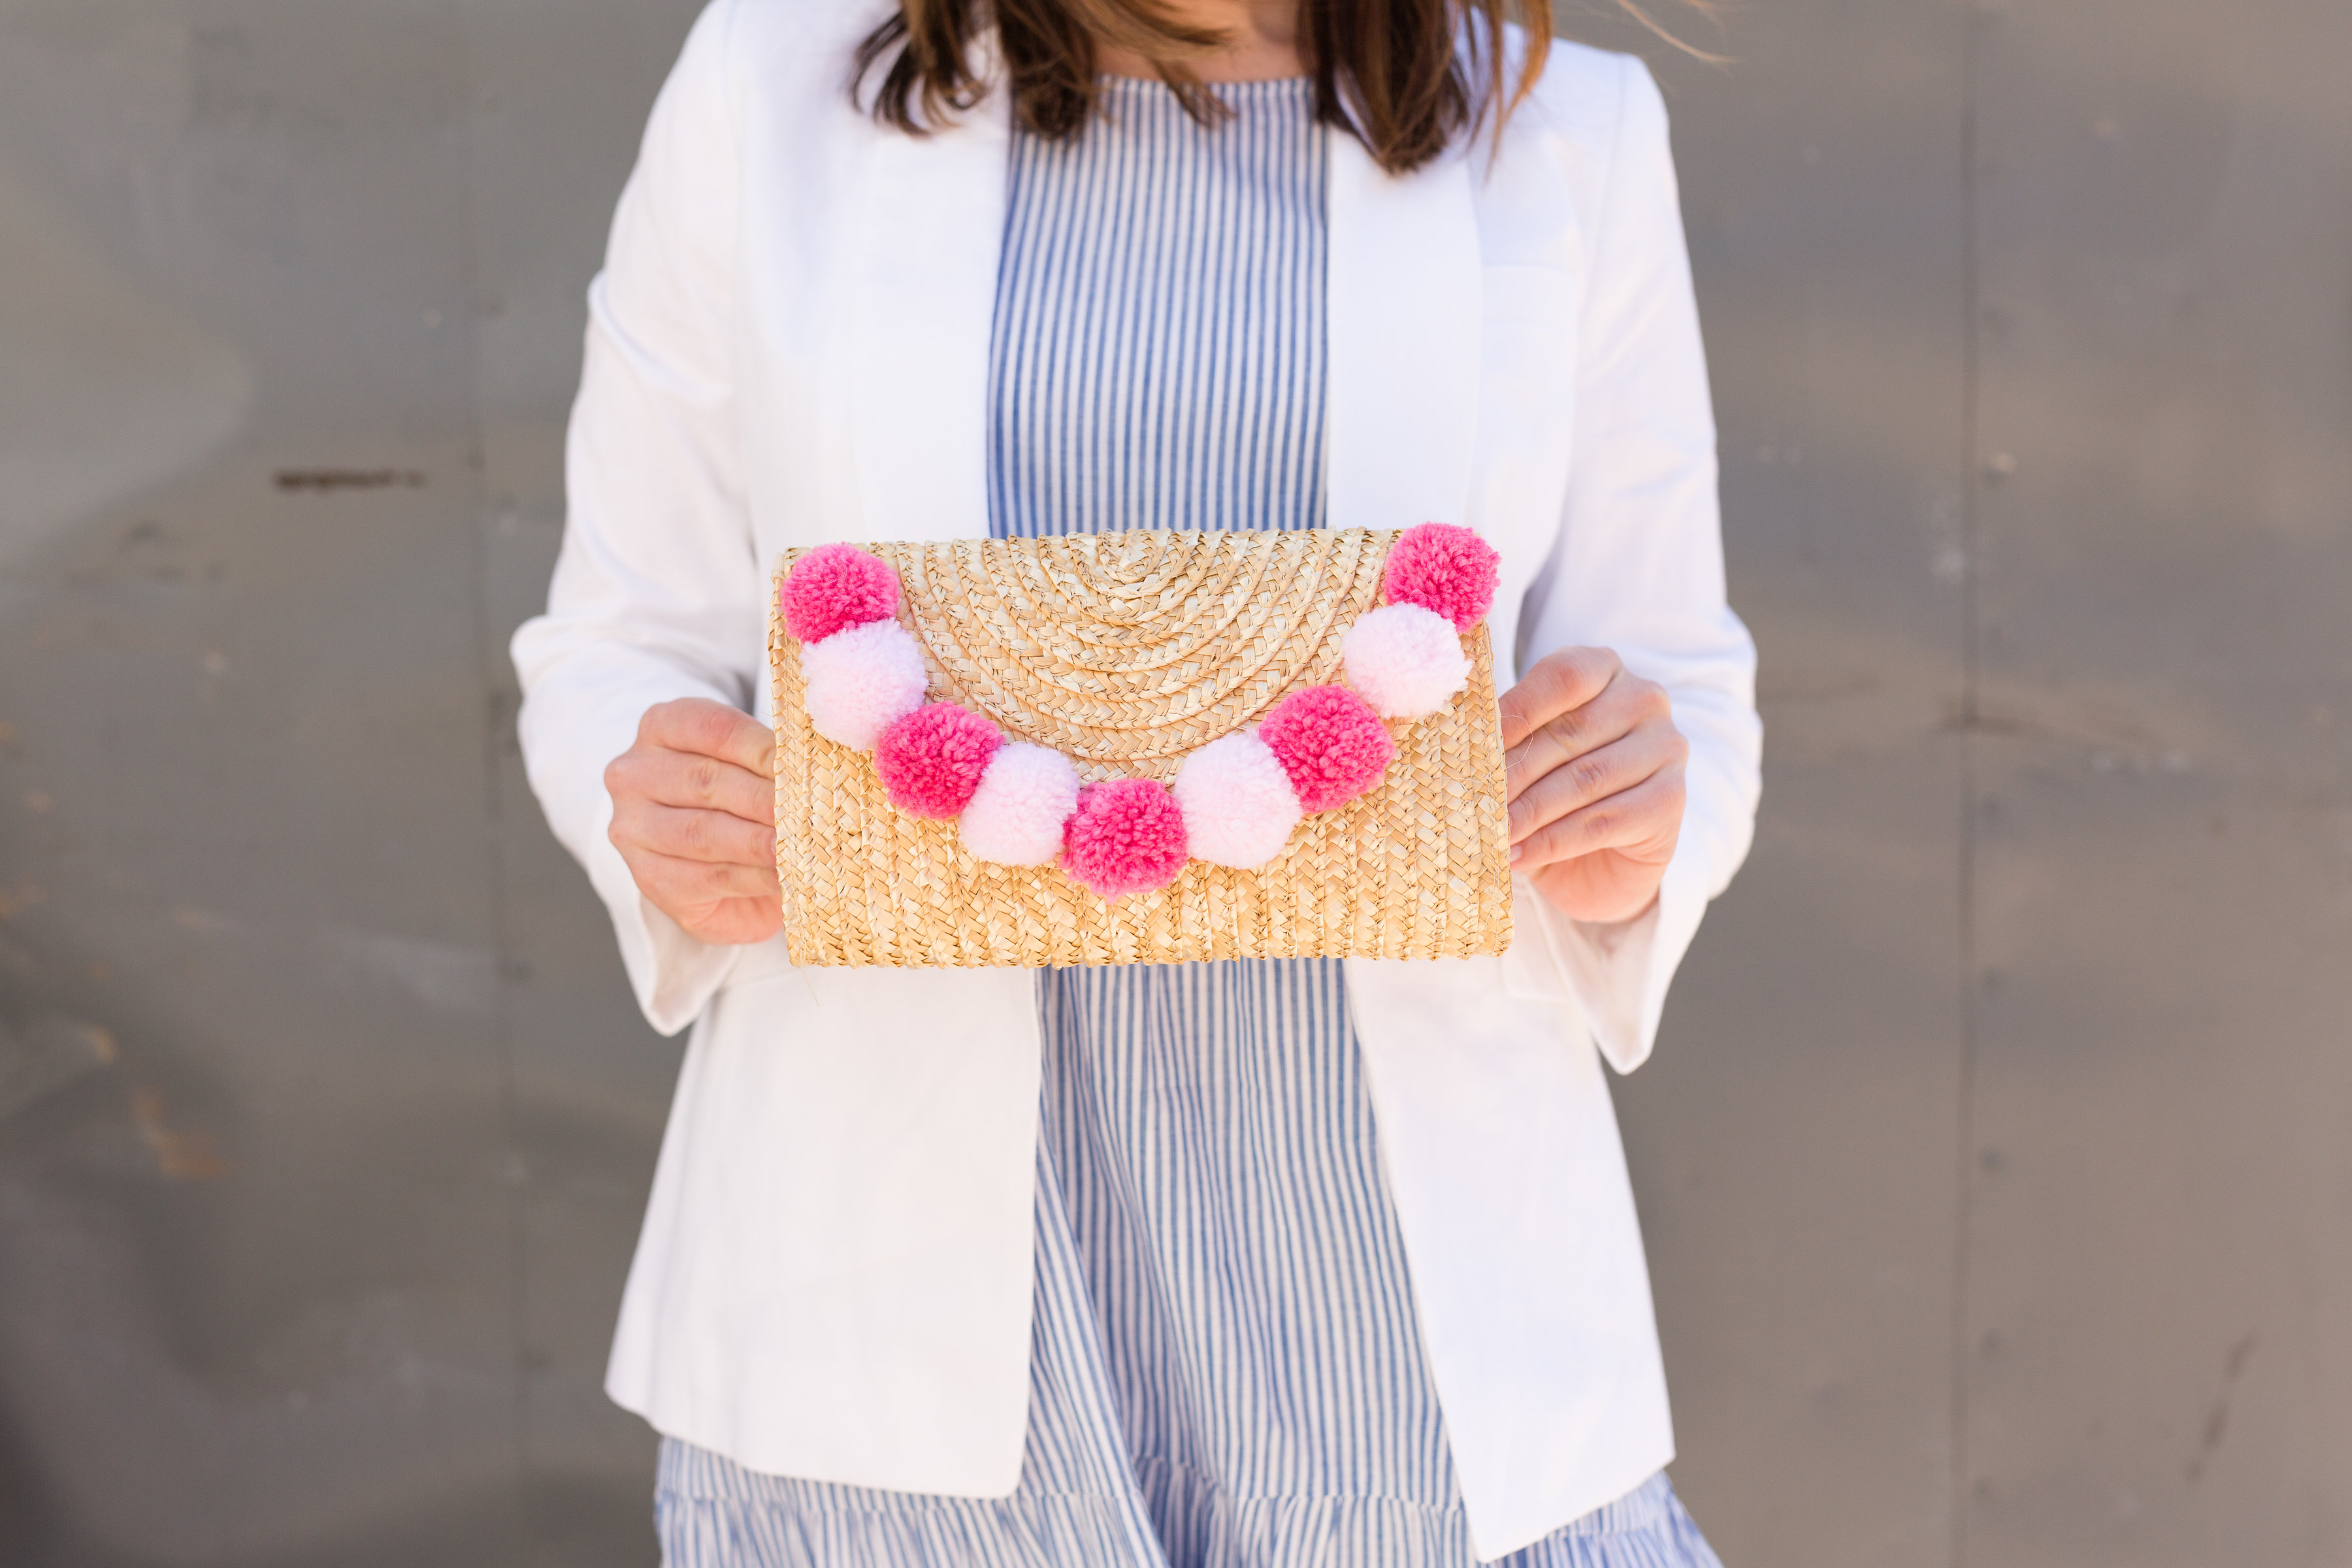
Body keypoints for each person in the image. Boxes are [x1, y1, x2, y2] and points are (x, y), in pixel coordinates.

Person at [512, 0, 1761, 1561]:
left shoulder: (1571, 130)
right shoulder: (766, 88)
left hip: (1411, 1353)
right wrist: (653, 792)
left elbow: (1674, 676)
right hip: (880, 1348)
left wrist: (1644, 809)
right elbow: (617, 639)